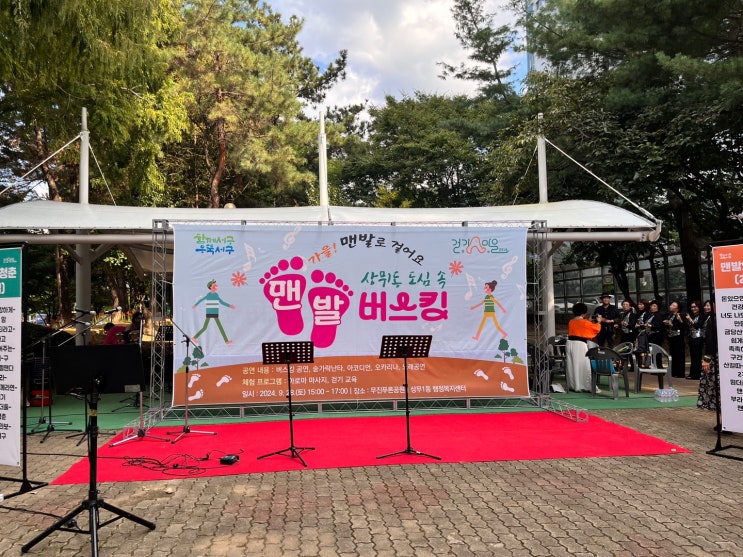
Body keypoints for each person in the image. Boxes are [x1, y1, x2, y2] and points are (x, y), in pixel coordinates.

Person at [565, 302, 601, 392]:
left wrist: (588, 320)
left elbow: (581, 326)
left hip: (569, 343)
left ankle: (574, 385)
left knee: (572, 364)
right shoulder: (585, 322)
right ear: (584, 313)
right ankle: (585, 385)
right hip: (579, 344)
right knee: (583, 364)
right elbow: (596, 329)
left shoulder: (571, 321)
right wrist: (599, 322)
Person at [193, 279, 236, 345]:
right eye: (214, 285)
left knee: (219, 327)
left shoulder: (216, 295)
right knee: (205, 327)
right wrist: (195, 305)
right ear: (210, 287)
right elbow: (201, 299)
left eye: (216, 285)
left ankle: (226, 341)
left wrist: (229, 306)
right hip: (209, 313)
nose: (216, 286)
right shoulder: (208, 295)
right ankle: (194, 337)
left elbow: (221, 302)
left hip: (215, 313)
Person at [697, 300, 718, 414]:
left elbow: (711, 340)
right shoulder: (710, 318)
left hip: (715, 356)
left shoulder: (714, 319)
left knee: (713, 384)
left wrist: (707, 359)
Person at [663, 300, 686, 378]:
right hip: (671, 338)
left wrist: (671, 324)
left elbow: (682, 327)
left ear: (677, 308)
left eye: (673, 305)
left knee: (679, 356)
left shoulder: (680, 315)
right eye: (671, 305)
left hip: (678, 338)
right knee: (672, 355)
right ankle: (673, 372)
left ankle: (680, 373)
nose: (671, 306)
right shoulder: (670, 315)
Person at [685, 299, 704, 380]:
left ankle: (697, 374)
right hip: (691, 338)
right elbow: (688, 327)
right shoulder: (692, 316)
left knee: (697, 357)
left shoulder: (701, 316)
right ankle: (692, 373)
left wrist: (689, 319)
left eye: (695, 307)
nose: (693, 309)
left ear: (699, 307)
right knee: (693, 357)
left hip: (698, 338)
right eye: (692, 307)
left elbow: (697, 326)